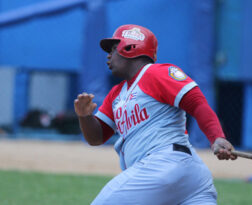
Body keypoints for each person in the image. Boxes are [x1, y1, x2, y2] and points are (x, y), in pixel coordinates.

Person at [74, 24, 237, 204]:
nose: (108, 56)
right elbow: (96, 137)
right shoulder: (117, 94)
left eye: (113, 49)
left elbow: (196, 103)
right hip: (188, 175)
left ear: (129, 48)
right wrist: (85, 116)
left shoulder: (156, 73)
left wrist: (217, 137)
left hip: (163, 164)